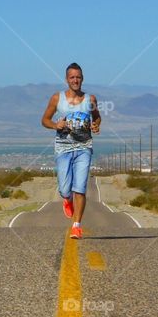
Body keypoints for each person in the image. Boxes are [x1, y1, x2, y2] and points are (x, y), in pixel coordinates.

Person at [41, 63, 101, 239]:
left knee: (80, 188)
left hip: (84, 147)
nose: (76, 80)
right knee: (65, 189)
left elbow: (97, 117)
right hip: (63, 147)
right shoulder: (56, 99)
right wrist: (55, 125)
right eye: (72, 77)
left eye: (78, 77)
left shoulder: (90, 100)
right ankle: (66, 200)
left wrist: (96, 125)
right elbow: (44, 119)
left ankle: (77, 226)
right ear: (67, 79)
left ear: (82, 78)